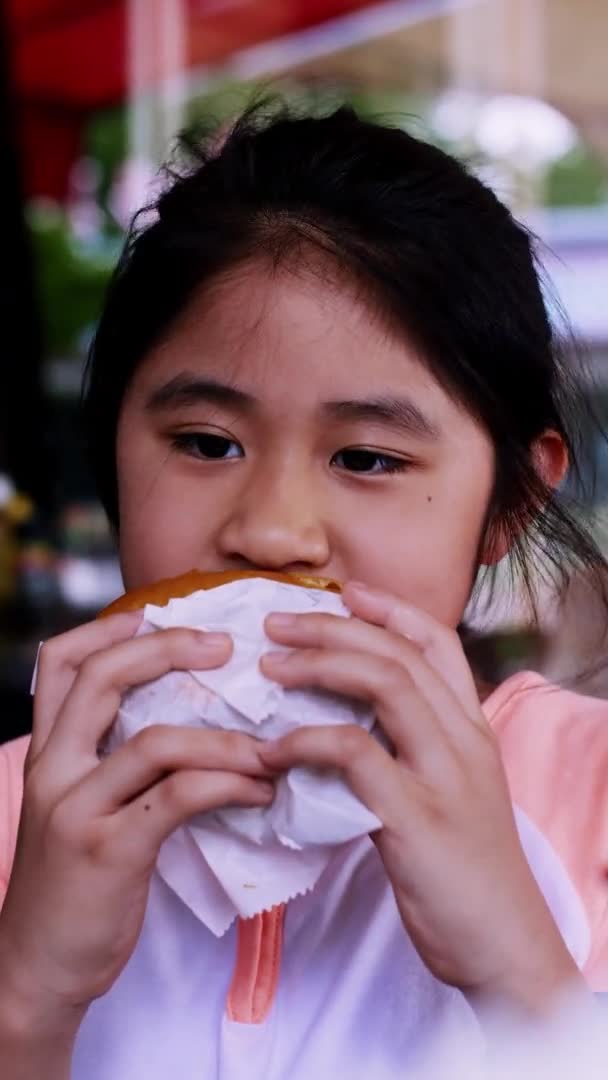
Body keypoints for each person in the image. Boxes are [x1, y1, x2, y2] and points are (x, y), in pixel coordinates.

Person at [1, 104, 607, 1078]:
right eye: (204, 444)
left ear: (508, 501)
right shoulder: (17, 812)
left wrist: (518, 974)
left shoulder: (590, 796)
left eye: (365, 457)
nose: (272, 532)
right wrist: (26, 999)